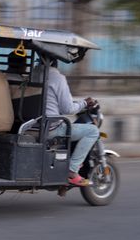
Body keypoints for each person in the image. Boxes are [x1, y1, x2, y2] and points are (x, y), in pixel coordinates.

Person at [44, 57, 99, 187]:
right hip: (50, 129)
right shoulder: (57, 78)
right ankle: (71, 170)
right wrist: (85, 103)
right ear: (55, 63)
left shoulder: (32, 75)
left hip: (30, 126)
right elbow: (68, 108)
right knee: (92, 131)